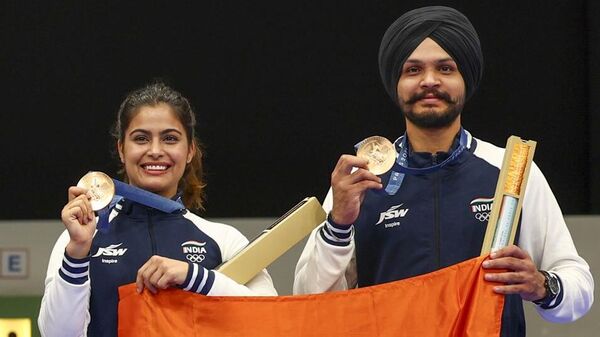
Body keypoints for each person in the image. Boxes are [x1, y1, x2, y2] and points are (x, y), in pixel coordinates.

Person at [293, 6, 593, 336]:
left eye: (445, 68)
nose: (430, 81)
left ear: (466, 79)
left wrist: (542, 285)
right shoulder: (360, 180)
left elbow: (577, 285)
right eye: (413, 70)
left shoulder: (511, 172)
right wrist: (339, 224)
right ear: (396, 84)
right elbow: (309, 300)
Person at [38, 82, 277, 337]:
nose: (154, 151)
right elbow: (57, 334)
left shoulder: (223, 240)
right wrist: (76, 252)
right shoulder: (79, 239)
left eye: (170, 139)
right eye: (141, 138)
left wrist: (196, 277)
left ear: (189, 151)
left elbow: (269, 322)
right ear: (121, 149)